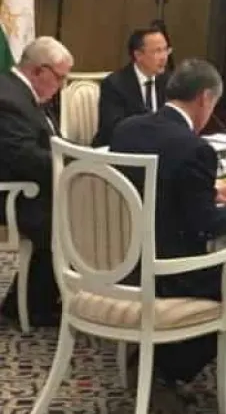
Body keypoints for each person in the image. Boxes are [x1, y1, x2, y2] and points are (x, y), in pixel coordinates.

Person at [110, 59, 226, 386]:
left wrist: (210, 191)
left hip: (121, 261)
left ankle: (156, 357)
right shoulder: (196, 149)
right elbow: (206, 225)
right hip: (168, 271)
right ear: (205, 98)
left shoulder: (127, 129)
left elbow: (155, 186)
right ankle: (166, 368)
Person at [0, 37, 74, 327]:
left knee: (79, 209)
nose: (62, 86)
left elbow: (52, 141)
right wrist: (73, 165)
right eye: (60, 78)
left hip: (32, 187)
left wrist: (82, 155)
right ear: (38, 70)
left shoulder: (27, 94)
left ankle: (32, 301)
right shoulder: (8, 99)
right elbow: (23, 157)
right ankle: (34, 305)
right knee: (73, 218)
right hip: (12, 193)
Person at [92, 28, 172, 146]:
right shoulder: (114, 85)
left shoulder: (169, 82)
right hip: (120, 149)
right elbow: (114, 129)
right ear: (138, 55)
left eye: (166, 50)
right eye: (157, 51)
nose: (164, 57)